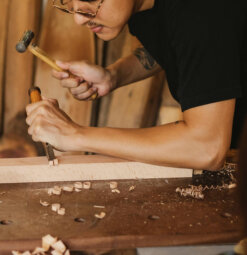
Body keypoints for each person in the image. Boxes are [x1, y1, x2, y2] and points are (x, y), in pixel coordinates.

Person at [26, 0, 246, 170]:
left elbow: (206, 147)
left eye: (91, 0)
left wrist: (75, 134)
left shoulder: (202, 11)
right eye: (68, 3)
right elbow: (180, 43)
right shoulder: (145, 6)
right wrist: (114, 75)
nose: (79, 19)